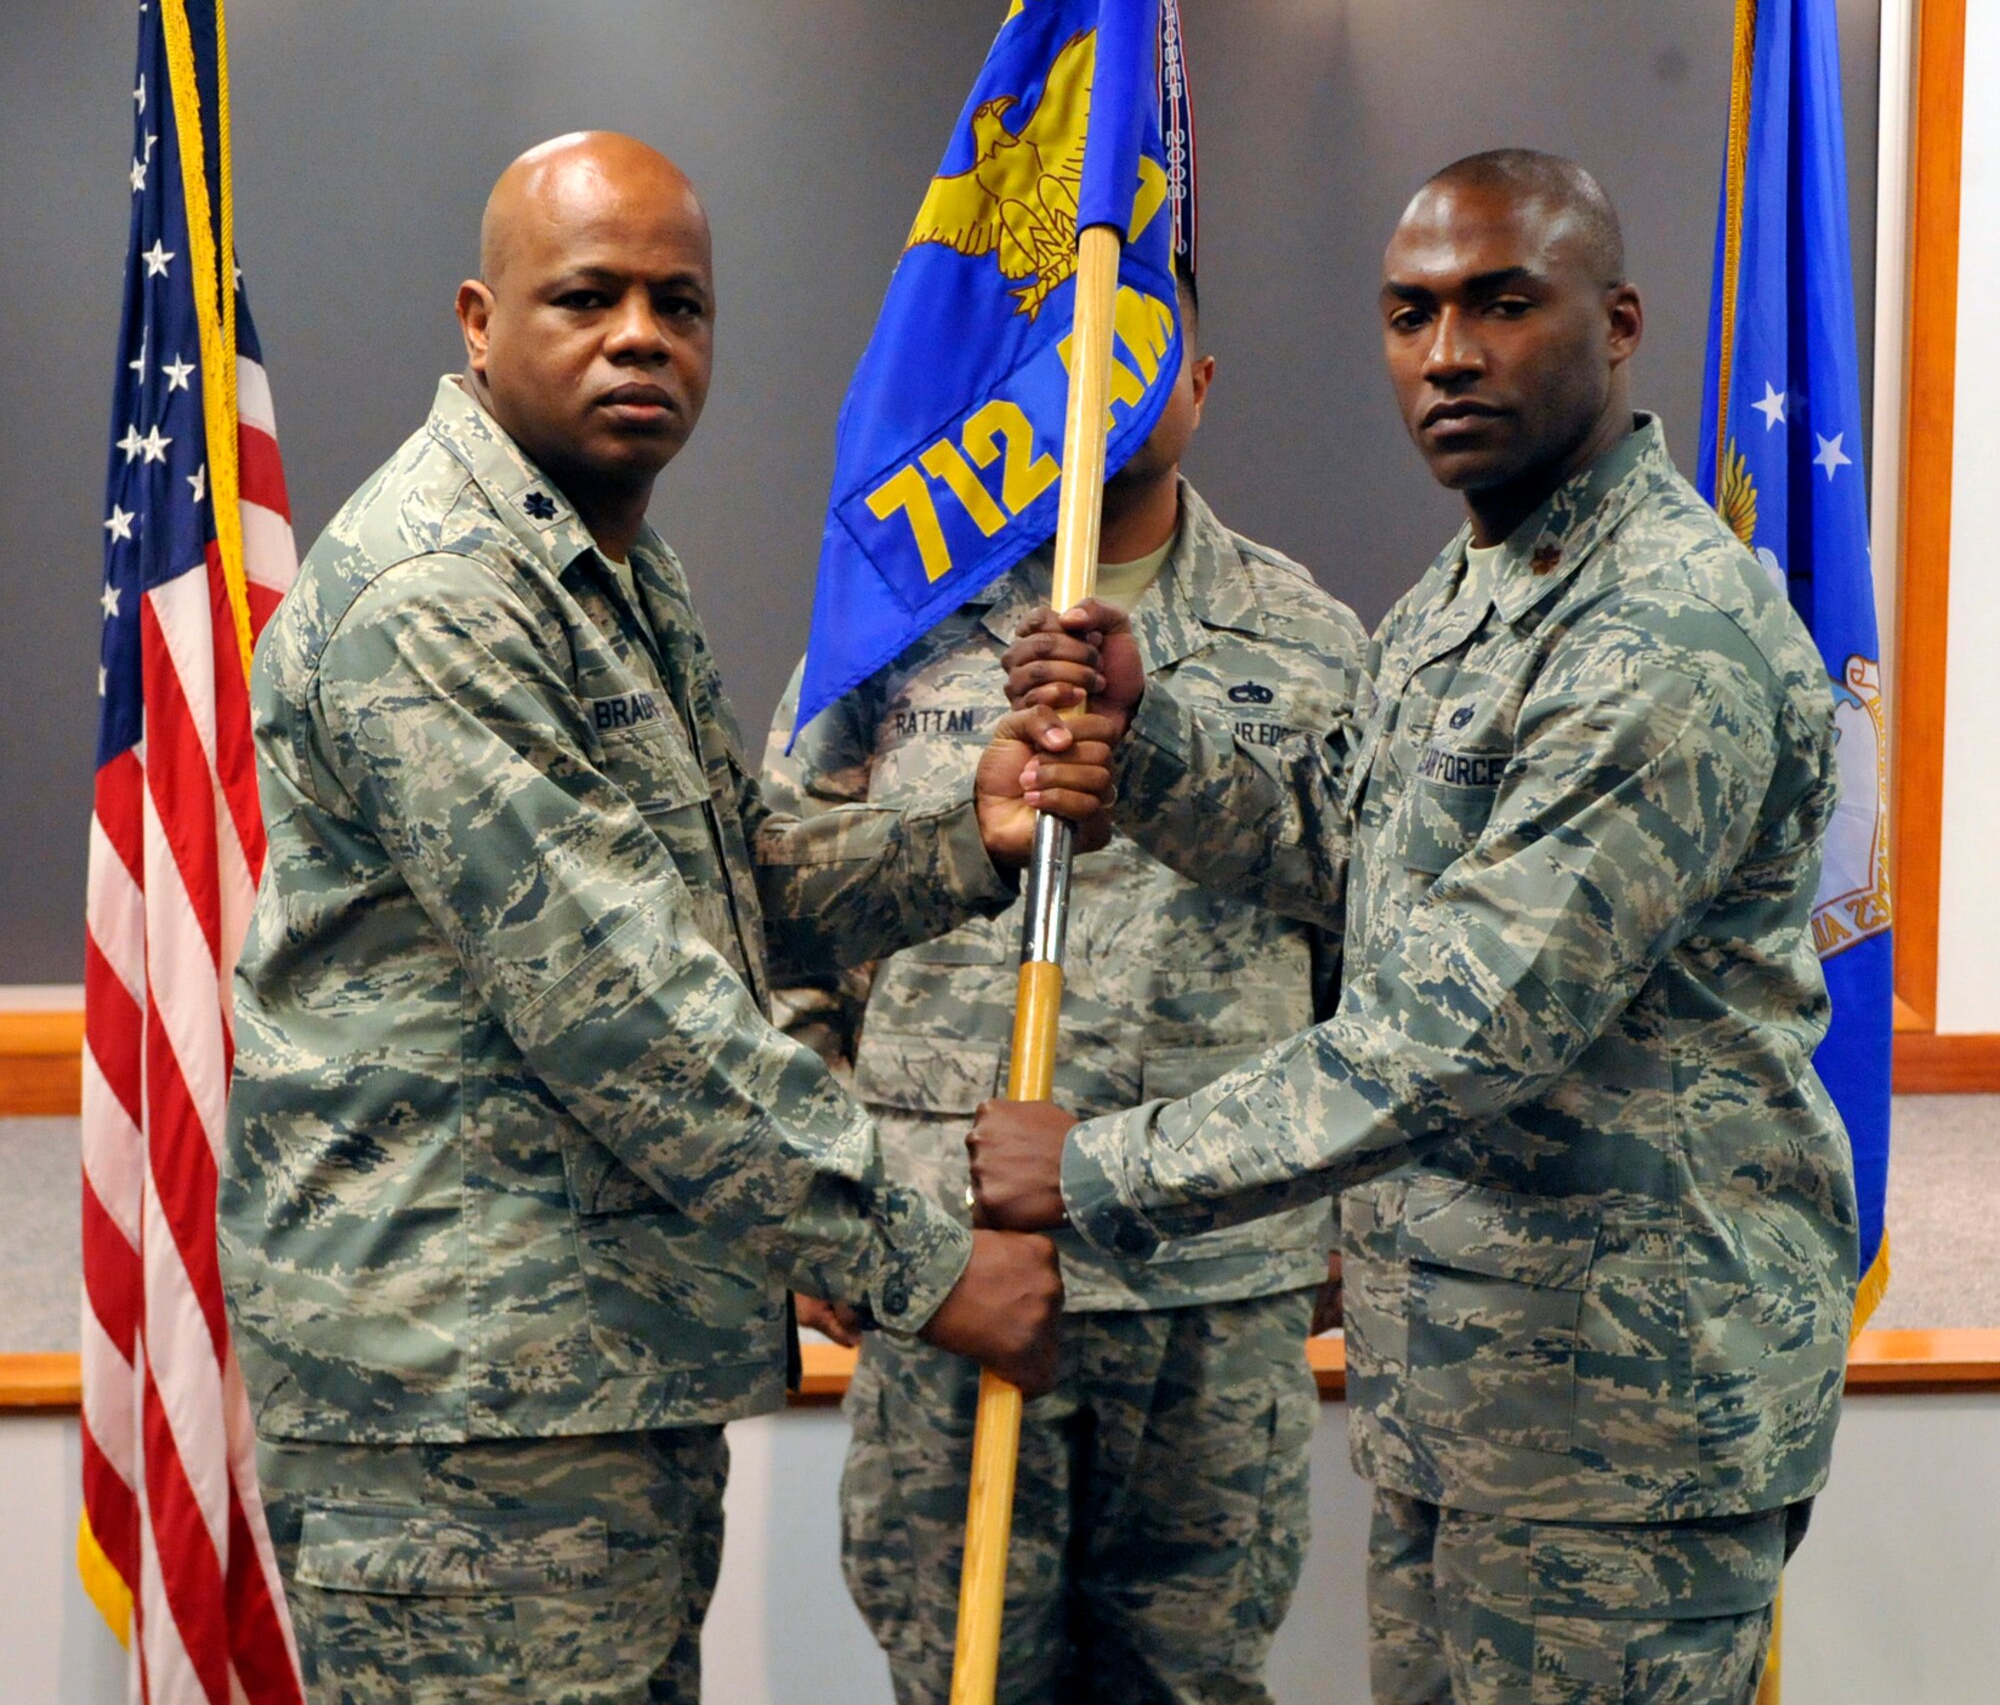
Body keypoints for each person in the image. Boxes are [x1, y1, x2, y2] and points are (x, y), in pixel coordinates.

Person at [219, 130, 1122, 1704]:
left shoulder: (609, 570)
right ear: (479, 321)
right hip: (468, 1420)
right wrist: (921, 1261)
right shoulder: (437, 592)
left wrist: (958, 841)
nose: (642, 334)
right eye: (587, 296)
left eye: (679, 301)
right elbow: (628, 1005)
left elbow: (725, 886)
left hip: (580, 1390)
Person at [974, 150, 1857, 1705]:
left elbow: (1463, 1030)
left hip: (1622, 1434)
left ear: (1619, 320)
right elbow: (1352, 843)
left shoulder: (1662, 630)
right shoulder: (1473, 587)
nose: (1447, 354)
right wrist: (1153, 744)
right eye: (1411, 313)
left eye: (1502, 304)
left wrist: (1103, 1166)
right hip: (1464, 1403)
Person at [761, 264, 1369, 1704]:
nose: (1103, 381)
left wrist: (1354, 1216)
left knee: (1195, 1683)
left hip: (1214, 1290)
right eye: (1071, 352)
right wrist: (835, 1211)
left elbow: (1374, 950)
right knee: (960, 1676)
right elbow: (780, 916)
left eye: (1144, 350)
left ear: (1202, 389)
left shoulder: (1313, 642)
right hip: (953, 1276)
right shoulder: (898, 624)